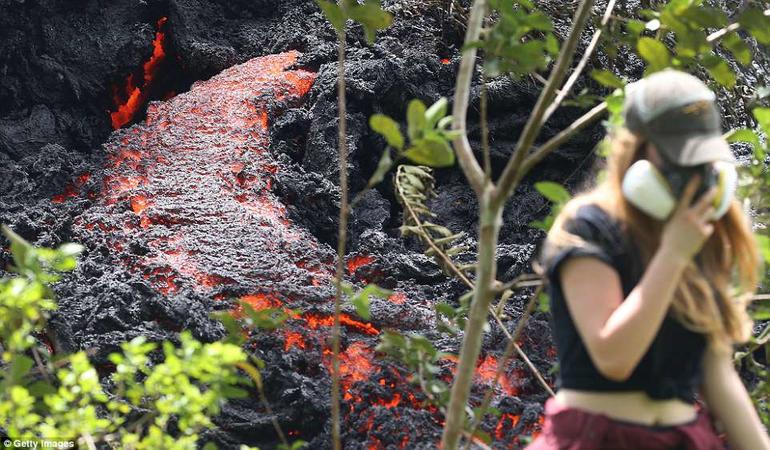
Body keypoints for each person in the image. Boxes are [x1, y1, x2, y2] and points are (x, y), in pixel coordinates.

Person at [524, 69, 770, 449]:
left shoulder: (698, 234)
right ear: (637, 149)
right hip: (597, 439)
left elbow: (717, 374)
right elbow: (614, 358)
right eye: (678, 156)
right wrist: (672, 254)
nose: (691, 173)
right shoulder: (589, 227)